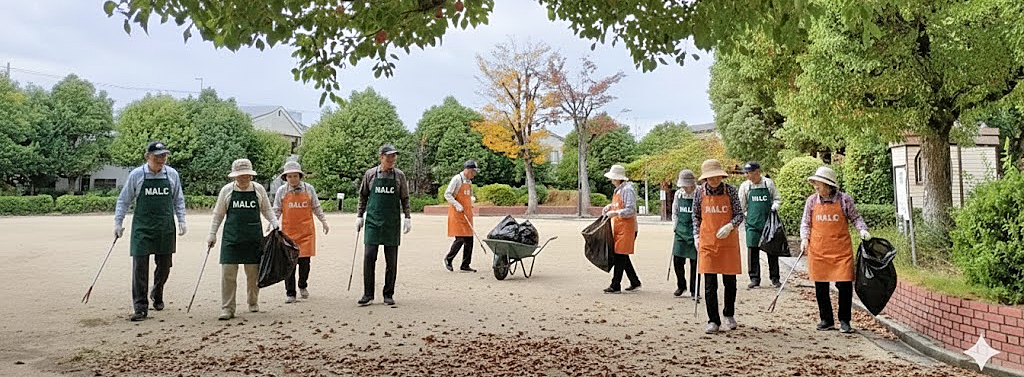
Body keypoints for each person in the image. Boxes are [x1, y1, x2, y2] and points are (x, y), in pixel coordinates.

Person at [114, 141, 187, 322]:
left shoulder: (172, 175)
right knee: (140, 267)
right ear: (148, 157)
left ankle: (157, 291)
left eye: (164, 156)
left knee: (165, 266)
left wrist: (182, 220)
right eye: (157, 156)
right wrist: (118, 222)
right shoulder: (137, 175)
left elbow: (178, 199)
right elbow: (124, 200)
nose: (161, 160)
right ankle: (140, 307)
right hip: (143, 228)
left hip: (165, 227)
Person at [801, 166, 871, 334]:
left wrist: (862, 230)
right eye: (815, 184)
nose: (816, 187)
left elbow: (856, 217)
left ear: (829, 185)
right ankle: (826, 319)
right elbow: (806, 222)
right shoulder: (811, 201)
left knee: (845, 285)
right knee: (821, 286)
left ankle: (845, 320)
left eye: (819, 184)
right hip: (818, 250)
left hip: (841, 250)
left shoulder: (844, 200)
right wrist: (804, 238)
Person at [207, 159, 279, 320]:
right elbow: (218, 214)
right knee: (228, 274)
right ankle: (227, 308)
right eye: (240, 176)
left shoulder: (258, 189)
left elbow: (267, 209)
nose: (243, 178)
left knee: (253, 274)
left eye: (246, 175)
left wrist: (275, 223)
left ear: (250, 175)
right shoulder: (227, 191)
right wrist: (212, 234)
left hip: (253, 238)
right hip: (231, 239)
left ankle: (253, 301)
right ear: (234, 177)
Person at [693, 159, 745, 334]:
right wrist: (695, 236)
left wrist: (730, 225)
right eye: (710, 178)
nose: (714, 181)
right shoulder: (699, 193)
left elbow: (739, 214)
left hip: (728, 242)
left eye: (717, 177)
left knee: (730, 281)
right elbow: (696, 217)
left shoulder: (730, 191)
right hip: (707, 242)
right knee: (709, 284)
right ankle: (713, 320)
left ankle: (728, 314)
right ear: (705, 179)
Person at [356, 144, 412, 306]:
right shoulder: (370, 174)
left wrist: (407, 217)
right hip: (373, 221)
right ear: (381, 157)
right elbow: (363, 196)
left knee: (391, 260)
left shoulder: (399, 176)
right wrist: (360, 215)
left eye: (394, 156)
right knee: (369, 257)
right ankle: (368, 294)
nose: (392, 159)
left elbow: (405, 198)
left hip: (391, 222)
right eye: (389, 157)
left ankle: (388, 294)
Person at [273, 161, 330, 304]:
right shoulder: (282, 191)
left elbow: (316, 207)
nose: (292, 179)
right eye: (289, 176)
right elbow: (276, 210)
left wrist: (324, 221)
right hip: (288, 233)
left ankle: (302, 285)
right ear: (285, 177)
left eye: (295, 176)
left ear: (300, 176)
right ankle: (290, 292)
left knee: (305, 263)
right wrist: (272, 224)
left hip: (306, 232)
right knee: (289, 264)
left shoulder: (309, 189)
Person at [737, 162, 782, 289]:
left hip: (768, 223)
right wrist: (748, 214)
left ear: (757, 172)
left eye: (749, 173)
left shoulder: (768, 183)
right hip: (752, 224)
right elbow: (741, 206)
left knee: (772, 250)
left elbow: (777, 198)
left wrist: (774, 208)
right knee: (752, 250)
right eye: (746, 173)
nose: (747, 175)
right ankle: (754, 278)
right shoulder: (745, 187)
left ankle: (775, 278)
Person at [601, 164, 641, 293]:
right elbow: (619, 205)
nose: (611, 180)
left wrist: (616, 213)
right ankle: (634, 281)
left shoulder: (627, 190)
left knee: (620, 256)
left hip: (628, 228)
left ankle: (615, 285)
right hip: (619, 227)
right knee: (622, 255)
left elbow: (631, 209)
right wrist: (610, 207)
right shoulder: (619, 189)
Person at [443, 160, 480, 273]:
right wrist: (457, 204)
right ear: (468, 170)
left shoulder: (469, 182)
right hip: (457, 213)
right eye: (473, 172)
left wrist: (471, 200)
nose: (474, 174)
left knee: (469, 239)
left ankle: (465, 265)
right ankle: (448, 259)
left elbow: (469, 194)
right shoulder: (457, 179)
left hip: (467, 213)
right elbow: (447, 194)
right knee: (460, 239)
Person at [671, 169, 699, 298]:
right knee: (677, 260)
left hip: (694, 231)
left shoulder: (699, 193)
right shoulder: (678, 194)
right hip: (680, 230)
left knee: (695, 262)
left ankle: (695, 289)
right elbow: (675, 212)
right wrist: (675, 226)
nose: (684, 188)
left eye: (686, 185)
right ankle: (681, 285)